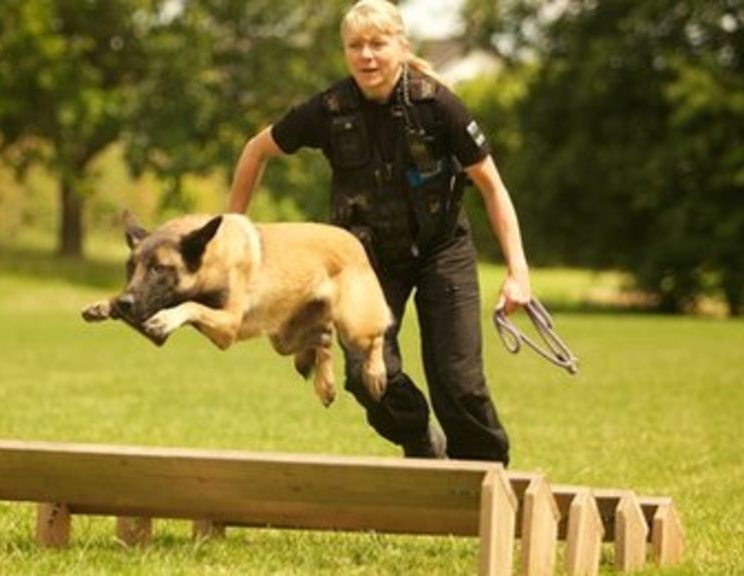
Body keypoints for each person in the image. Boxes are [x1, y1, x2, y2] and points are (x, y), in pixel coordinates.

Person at [227, 0, 531, 464]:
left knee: (458, 381)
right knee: (366, 376)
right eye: (355, 46)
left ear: (401, 46)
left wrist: (518, 272)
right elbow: (255, 151)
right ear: (345, 52)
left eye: (377, 44)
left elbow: (492, 187)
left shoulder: (439, 105)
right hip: (365, 262)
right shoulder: (328, 110)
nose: (366, 55)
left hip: (440, 250)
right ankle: (421, 442)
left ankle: (488, 481)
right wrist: (234, 230)